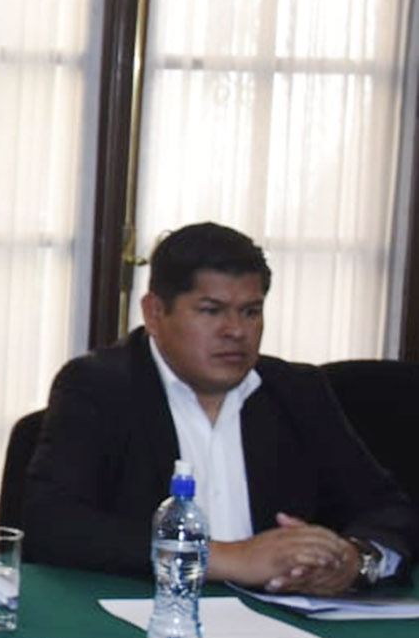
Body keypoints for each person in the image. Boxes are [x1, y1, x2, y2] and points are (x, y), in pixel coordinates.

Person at [24, 221, 414, 592]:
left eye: (251, 311)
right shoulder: (98, 386)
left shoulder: (297, 390)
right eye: (211, 310)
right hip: (141, 624)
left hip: (281, 625)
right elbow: (54, 525)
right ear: (155, 313)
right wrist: (226, 558)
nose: (236, 331)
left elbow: (388, 508)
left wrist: (355, 561)